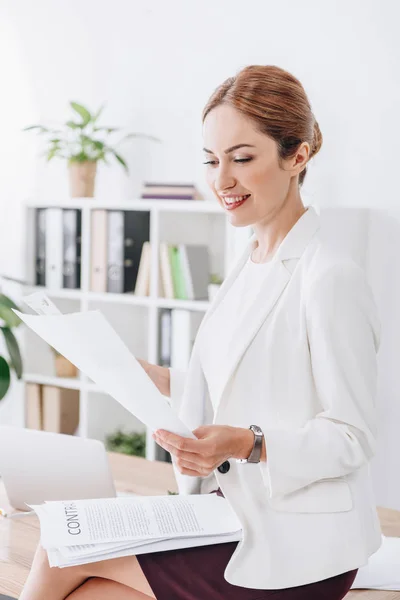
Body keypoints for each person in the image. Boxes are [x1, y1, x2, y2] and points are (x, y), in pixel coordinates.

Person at [20, 64, 381, 600]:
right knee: (88, 587)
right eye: (212, 161)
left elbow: (351, 438)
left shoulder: (329, 276)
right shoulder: (249, 262)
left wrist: (245, 442)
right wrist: (163, 379)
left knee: (60, 550)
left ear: (297, 156)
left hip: (298, 542)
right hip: (233, 511)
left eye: (242, 158)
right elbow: (257, 374)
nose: (221, 181)